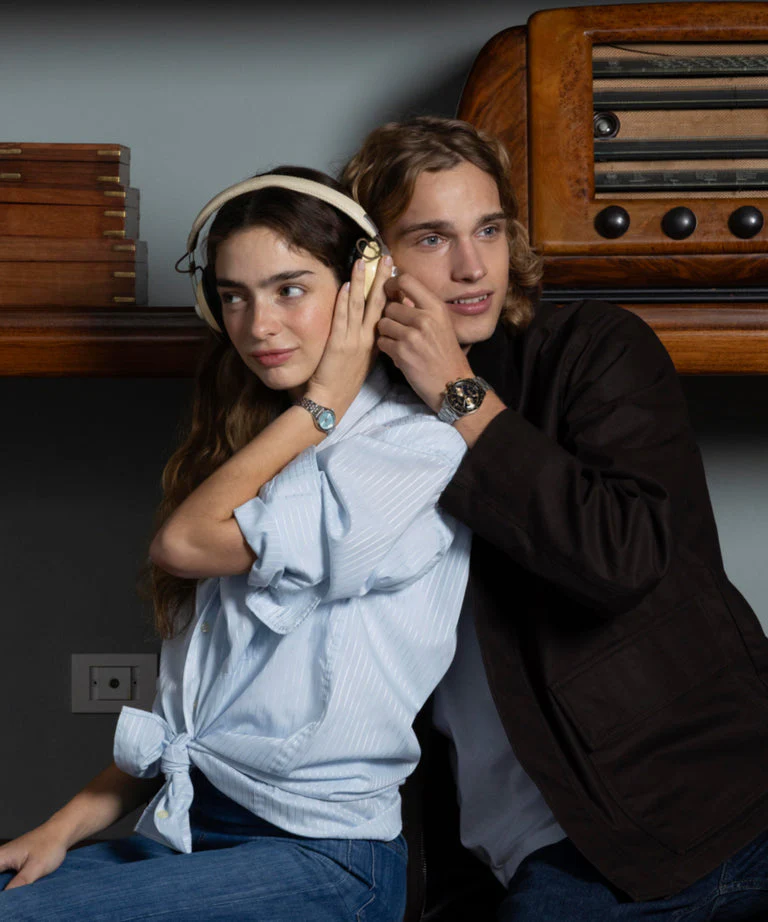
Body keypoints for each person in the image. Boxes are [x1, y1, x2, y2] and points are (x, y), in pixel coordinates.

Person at [0, 166, 473, 921]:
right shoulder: (253, 451)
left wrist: (321, 405)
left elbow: (183, 544)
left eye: (290, 289)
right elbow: (190, 728)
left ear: (361, 288)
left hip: (324, 860)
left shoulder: (414, 450)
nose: (258, 326)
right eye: (235, 296)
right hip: (191, 829)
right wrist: (57, 830)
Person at [340, 116, 768, 921]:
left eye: (489, 229)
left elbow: (621, 558)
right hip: (534, 858)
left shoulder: (594, 349)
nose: (473, 267)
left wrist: (459, 395)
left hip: (708, 815)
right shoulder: (360, 422)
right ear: (374, 262)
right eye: (432, 238)